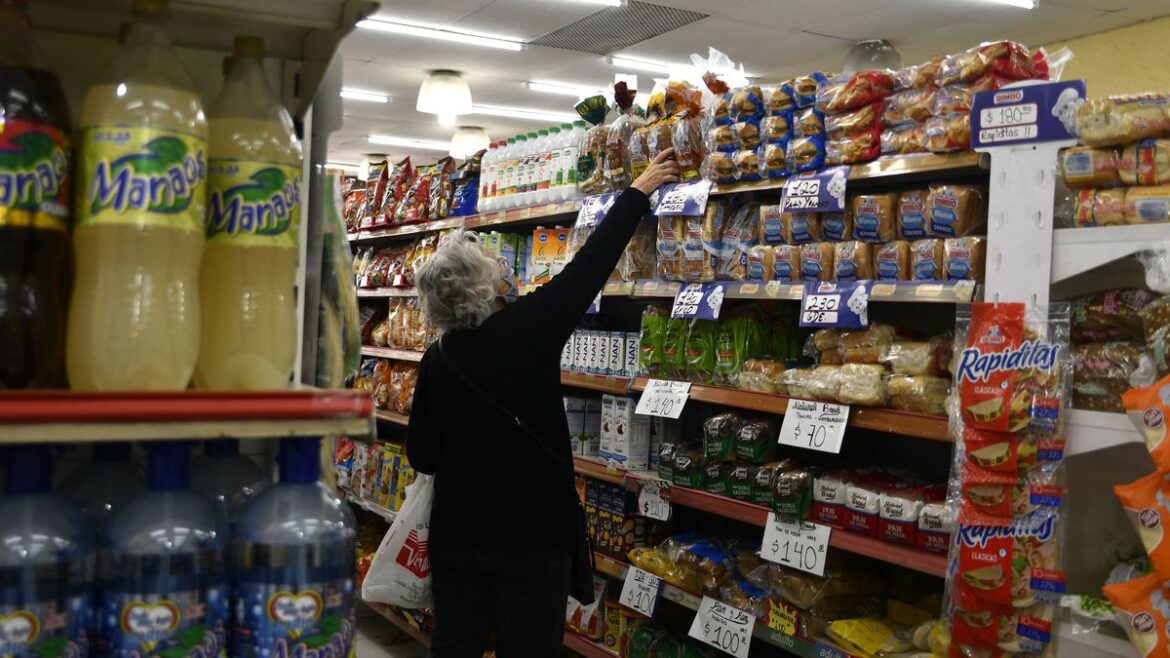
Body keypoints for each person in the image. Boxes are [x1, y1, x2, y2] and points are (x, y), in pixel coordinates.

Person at [407, 149, 680, 657]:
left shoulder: (437, 358)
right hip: (532, 536)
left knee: (455, 644)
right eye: (494, 266)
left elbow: (421, 455)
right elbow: (589, 267)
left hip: (459, 536)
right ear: (482, 288)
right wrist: (637, 192)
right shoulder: (528, 329)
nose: (503, 267)